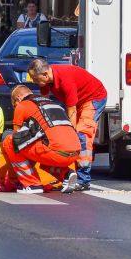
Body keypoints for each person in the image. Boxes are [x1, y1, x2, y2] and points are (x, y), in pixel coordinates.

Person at [27, 59, 107, 191]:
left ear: (45, 74)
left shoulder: (65, 81)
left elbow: (72, 111)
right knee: (72, 136)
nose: (34, 82)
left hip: (94, 98)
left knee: (81, 135)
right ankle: (71, 175)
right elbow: (44, 100)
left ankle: (83, 180)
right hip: (79, 101)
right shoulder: (48, 79)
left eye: (35, 78)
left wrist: (70, 134)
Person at [2, 85, 80, 194]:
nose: (15, 107)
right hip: (75, 152)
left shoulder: (23, 105)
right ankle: (66, 173)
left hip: (54, 152)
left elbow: (17, 136)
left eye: (14, 104)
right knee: (44, 151)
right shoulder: (51, 102)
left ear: (18, 98)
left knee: (10, 141)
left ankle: (32, 184)